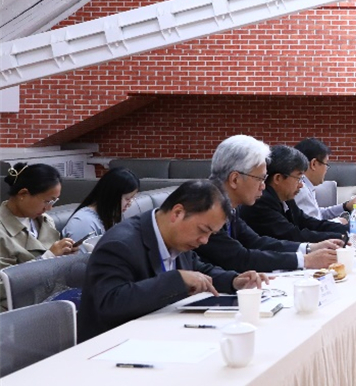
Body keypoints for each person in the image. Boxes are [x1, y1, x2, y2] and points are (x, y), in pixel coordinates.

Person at [78, 180, 267, 341]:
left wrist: (233, 280)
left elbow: (198, 271)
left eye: (211, 234)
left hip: (162, 336)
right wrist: (176, 279)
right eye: (203, 230)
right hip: (114, 346)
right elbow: (110, 303)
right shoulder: (120, 244)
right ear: (177, 213)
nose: (205, 241)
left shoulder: (177, 237)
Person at [196, 135, 339, 273]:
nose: (263, 186)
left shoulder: (228, 205)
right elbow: (239, 258)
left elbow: (256, 242)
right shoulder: (205, 206)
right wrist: (304, 260)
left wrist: (309, 248)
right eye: (259, 179)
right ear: (235, 179)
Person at [1, 163, 80, 310]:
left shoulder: (44, 221)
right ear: (23, 194)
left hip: (52, 299)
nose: (49, 208)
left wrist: (65, 257)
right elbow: (3, 285)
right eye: (47, 201)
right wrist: (47, 258)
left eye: (54, 201)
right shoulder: (2, 229)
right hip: (18, 311)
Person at [242, 145, 350, 243]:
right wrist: (342, 237)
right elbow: (293, 235)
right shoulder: (262, 202)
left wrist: (349, 230)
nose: (301, 185)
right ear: (278, 178)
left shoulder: (286, 199)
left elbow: (308, 223)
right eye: (298, 178)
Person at [293, 138, 356, 221]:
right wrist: (340, 222)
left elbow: (317, 214)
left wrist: (346, 206)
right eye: (326, 164)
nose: (326, 170)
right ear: (314, 164)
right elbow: (312, 225)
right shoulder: (301, 189)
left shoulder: (306, 186)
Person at [62, 167, 141, 245]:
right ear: (112, 196)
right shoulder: (83, 223)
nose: (130, 203)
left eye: (132, 198)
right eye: (127, 199)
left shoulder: (109, 217)